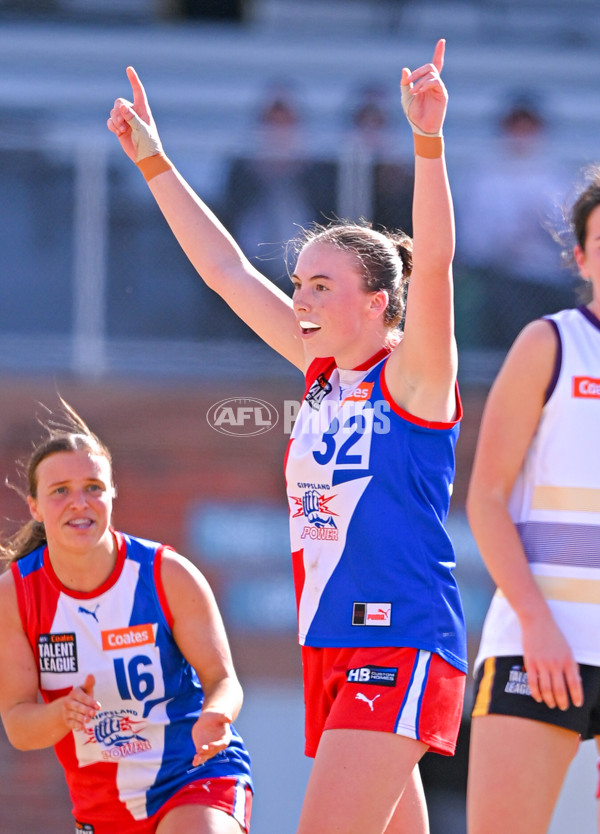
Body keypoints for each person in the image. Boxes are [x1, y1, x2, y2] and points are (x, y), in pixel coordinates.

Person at [107, 39, 466, 834]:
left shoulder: (413, 376)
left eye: (320, 285)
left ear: (377, 302)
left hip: (398, 638)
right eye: (299, 282)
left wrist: (427, 139)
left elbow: (436, 262)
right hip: (329, 640)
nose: (299, 298)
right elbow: (227, 271)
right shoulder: (321, 372)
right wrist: (154, 161)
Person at [0, 401, 253, 834]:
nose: (79, 503)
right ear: (35, 507)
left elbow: (222, 679)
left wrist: (217, 714)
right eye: (60, 491)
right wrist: (63, 713)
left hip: (193, 775)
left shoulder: (167, 574)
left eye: (93, 487)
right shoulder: (14, 595)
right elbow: (19, 726)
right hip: (102, 804)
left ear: (112, 493)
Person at [466, 167, 600, 834]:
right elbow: (486, 499)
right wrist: (537, 623)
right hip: (539, 645)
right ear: (581, 257)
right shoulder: (551, 343)